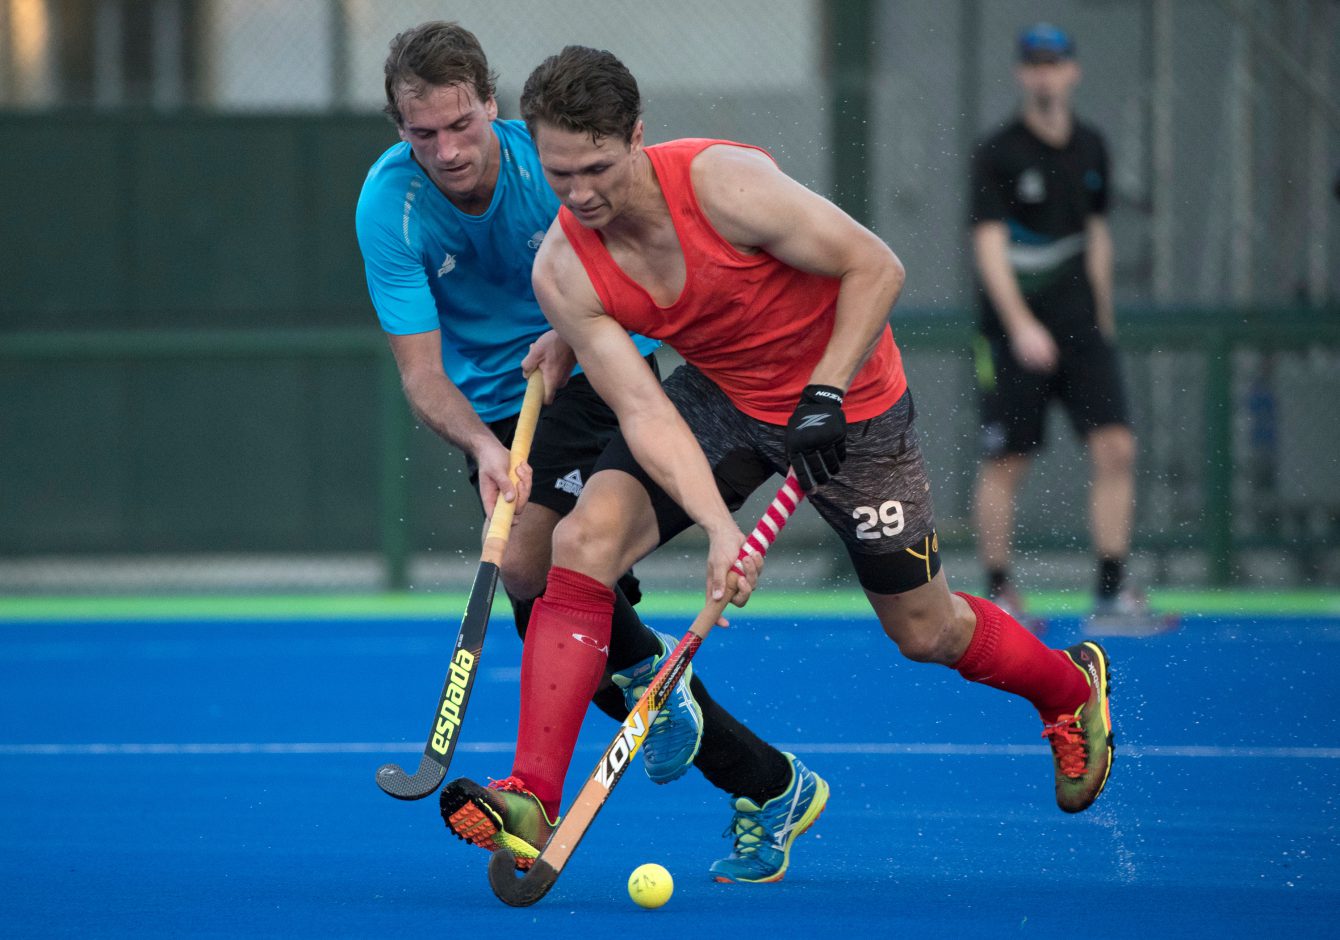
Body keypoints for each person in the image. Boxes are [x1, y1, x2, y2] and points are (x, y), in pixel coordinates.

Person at [442, 43, 1116, 877]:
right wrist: (723, 530)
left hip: (856, 410)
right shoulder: (564, 270)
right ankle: (531, 797)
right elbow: (647, 410)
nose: (579, 194)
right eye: (558, 172)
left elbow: (876, 265)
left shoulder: (723, 186)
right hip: (722, 395)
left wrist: (826, 394)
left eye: (598, 169)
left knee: (925, 630)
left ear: (638, 137)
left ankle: (1066, 692)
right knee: (581, 544)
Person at [355, 22, 820, 884]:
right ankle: (765, 779)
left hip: (602, 372)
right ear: (399, 129)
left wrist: (574, 333)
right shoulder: (389, 208)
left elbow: (635, 259)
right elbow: (422, 376)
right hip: (493, 411)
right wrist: (484, 449)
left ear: (490, 106)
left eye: (462, 124)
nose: (449, 150)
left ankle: (539, 783)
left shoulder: (549, 163)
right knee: (564, 623)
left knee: (539, 567)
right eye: (424, 134)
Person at [968, 22, 1160, 627]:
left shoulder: (1092, 147)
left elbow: (1096, 235)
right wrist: (1021, 324)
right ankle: (1000, 591)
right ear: (1022, 73)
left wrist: (1100, 316)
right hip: (1012, 335)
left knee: (1116, 447)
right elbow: (990, 246)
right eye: (1034, 64)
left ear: (1073, 70)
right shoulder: (1000, 152)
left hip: (1081, 326)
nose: (1045, 74)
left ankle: (1110, 590)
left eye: (1055, 63)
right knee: (1008, 461)